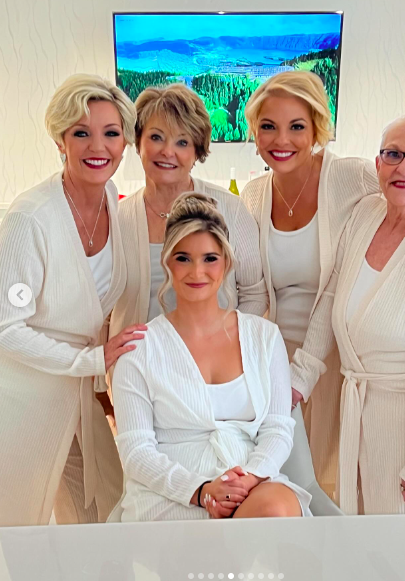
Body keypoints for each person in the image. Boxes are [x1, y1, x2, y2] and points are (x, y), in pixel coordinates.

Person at [241, 70, 405, 499]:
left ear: (316, 130)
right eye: (268, 126)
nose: (281, 139)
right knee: (284, 482)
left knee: (329, 484)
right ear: (253, 132)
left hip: (339, 359)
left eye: (296, 126)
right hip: (282, 361)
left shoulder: (352, 178)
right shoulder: (254, 195)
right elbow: (253, 287)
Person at [291, 113, 405, 581]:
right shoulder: (366, 212)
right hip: (361, 412)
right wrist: (302, 374)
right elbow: (331, 296)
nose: (404, 167)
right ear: (378, 161)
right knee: (368, 553)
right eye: (393, 154)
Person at [109, 193, 311, 522]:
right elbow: (136, 451)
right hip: (171, 490)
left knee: (276, 509)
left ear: (226, 262)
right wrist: (202, 490)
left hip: (249, 483)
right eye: (184, 258)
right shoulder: (139, 348)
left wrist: (249, 478)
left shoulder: (264, 337)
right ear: (167, 262)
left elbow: (277, 428)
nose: (197, 272)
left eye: (210, 258)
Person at [0, 74, 147, 526]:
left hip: (81, 397)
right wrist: (92, 360)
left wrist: (102, 381)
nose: (96, 146)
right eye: (80, 133)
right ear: (60, 141)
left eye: (110, 133)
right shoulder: (31, 218)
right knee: (21, 520)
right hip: (26, 397)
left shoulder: (111, 200)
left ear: (125, 144)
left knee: (103, 510)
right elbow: (7, 328)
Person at [109, 84, 267, 348]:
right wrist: (104, 378)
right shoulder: (116, 218)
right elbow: (103, 305)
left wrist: (222, 343)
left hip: (212, 371)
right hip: (136, 370)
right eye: (156, 137)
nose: (167, 152)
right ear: (138, 144)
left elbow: (255, 292)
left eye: (182, 141)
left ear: (197, 152)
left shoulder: (231, 210)